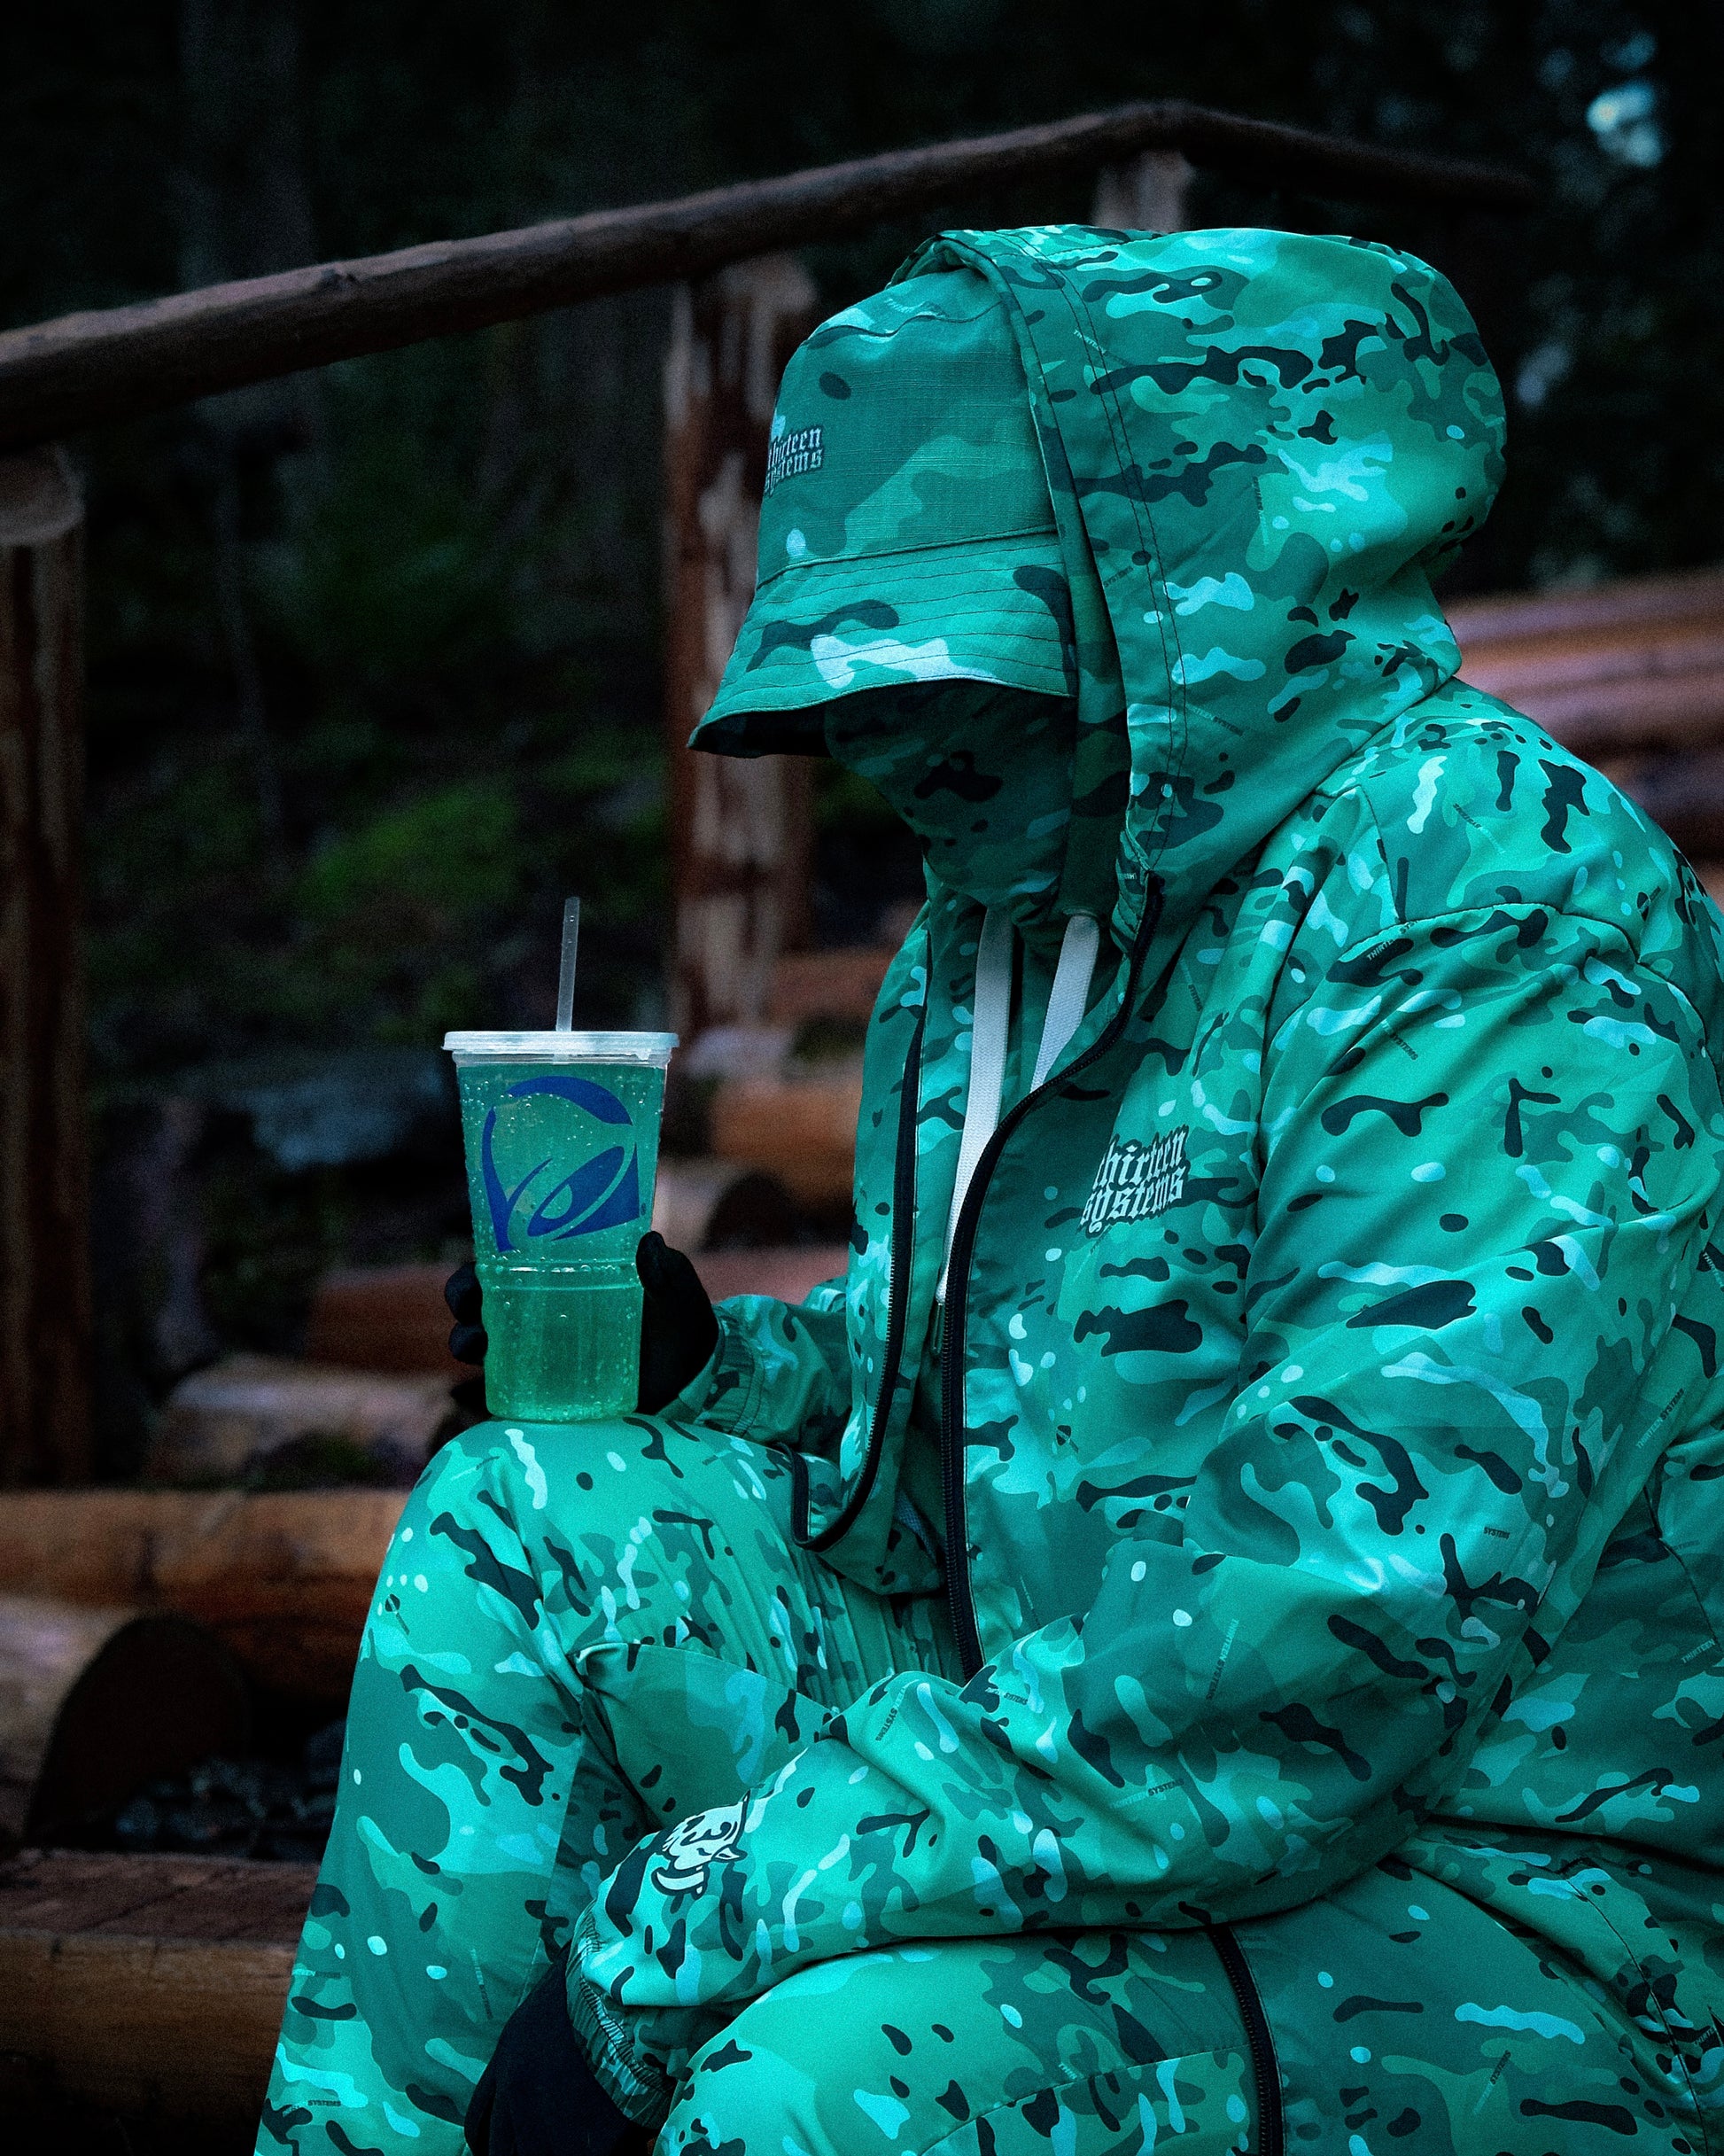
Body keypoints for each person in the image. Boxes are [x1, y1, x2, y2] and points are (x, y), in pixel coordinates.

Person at [257, 225, 1724, 2156]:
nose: (892, 745)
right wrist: (721, 1370)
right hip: (1072, 1752)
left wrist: (671, 1932)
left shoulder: (1477, 893)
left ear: (1162, 595)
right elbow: (949, 1431)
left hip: (1502, 1902)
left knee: (816, 2088)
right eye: (856, 685)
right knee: (522, 1513)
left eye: (948, 666)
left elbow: (1334, 1643)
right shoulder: (995, 942)